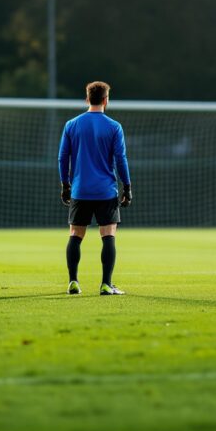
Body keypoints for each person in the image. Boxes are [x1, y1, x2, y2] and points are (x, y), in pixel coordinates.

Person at [58, 81, 132, 296]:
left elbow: (63, 157)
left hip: (80, 190)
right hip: (105, 191)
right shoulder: (114, 126)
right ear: (106, 100)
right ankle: (106, 285)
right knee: (108, 234)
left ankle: (73, 282)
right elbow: (121, 159)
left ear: (87, 98)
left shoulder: (71, 124)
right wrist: (127, 187)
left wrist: (65, 185)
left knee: (75, 234)